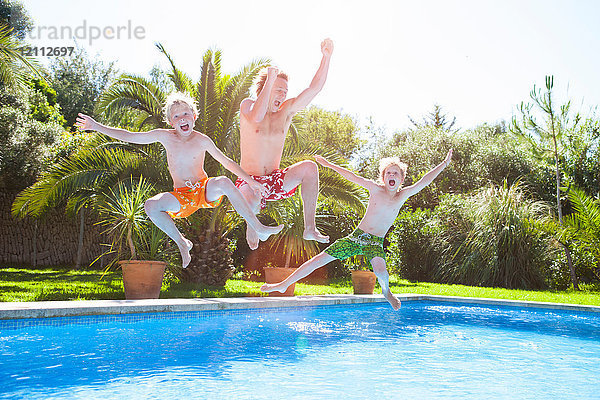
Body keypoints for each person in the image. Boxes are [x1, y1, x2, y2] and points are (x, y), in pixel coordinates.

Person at [75, 92, 283, 268]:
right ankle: (182, 242)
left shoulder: (202, 140)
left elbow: (227, 162)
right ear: (171, 122)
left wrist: (251, 181)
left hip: (203, 190)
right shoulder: (165, 136)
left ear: (194, 116)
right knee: (150, 206)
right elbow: (130, 135)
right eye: (176, 116)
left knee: (224, 182)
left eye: (185, 113)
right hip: (182, 196)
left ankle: (256, 225)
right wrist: (96, 126)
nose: (182, 118)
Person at [261, 150, 453, 310]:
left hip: (374, 243)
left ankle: (387, 292)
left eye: (395, 174)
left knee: (381, 271)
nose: (391, 176)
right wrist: (329, 165)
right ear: (383, 177)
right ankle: (283, 284)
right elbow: (352, 177)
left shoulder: (402, 195)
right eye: (388, 173)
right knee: (318, 261)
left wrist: (444, 164)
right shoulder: (375, 189)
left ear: (402, 179)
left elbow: (424, 182)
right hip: (356, 238)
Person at [236, 38, 334, 250]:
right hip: (248, 181)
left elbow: (313, 88)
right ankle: (252, 225)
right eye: (278, 90)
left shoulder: (286, 112)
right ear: (265, 88)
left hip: (274, 180)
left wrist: (326, 57)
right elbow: (256, 117)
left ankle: (309, 227)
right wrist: (270, 78)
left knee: (310, 168)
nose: (283, 95)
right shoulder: (248, 106)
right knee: (251, 199)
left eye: (285, 91)